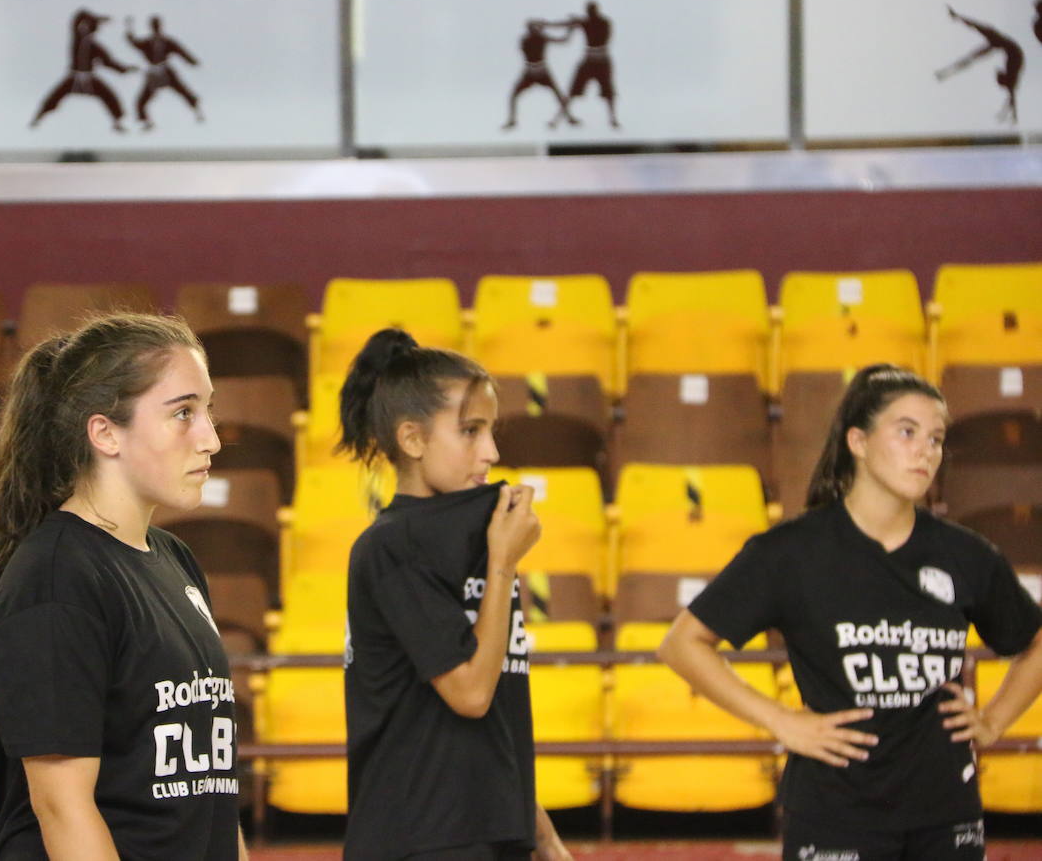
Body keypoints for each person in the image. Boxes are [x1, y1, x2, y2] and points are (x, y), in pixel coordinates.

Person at [659, 364, 1042, 861]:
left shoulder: (966, 556)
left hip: (947, 814)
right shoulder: (791, 552)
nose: (926, 450)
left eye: (936, 438)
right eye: (907, 432)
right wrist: (780, 720)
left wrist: (992, 722)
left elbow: (1034, 642)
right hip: (835, 814)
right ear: (858, 442)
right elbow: (682, 643)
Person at [0, 313, 248, 861]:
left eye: (207, 410)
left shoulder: (175, 559)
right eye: (183, 413)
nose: (211, 439)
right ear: (105, 433)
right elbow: (62, 807)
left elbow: (211, 790)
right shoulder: (56, 576)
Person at [338, 328, 572, 861]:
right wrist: (503, 566)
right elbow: (470, 694)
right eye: (470, 431)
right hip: (420, 837)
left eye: (491, 430)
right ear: (413, 440)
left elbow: (490, 727)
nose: (490, 450)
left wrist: (541, 833)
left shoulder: (477, 536)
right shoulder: (390, 547)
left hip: (490, 830)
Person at [30, 9, 136, 133]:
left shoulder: (95, 47)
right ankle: (38, 118)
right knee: (54, 96)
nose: (83, 28)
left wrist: (126, 69)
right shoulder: (76, 38)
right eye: (82, 26)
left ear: (91, 29)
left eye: (87, 26)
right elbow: (78, 15)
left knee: (109, 96)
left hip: (89, 78)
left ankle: (118, 123)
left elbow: (108, 62)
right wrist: (97, 17)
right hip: (73, 77)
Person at [935, 5, 1024, 125]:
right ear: (1003, 77)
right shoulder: (1012, 74)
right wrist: (1012, 116)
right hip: (1007, 47)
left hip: (1005, 46)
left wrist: (1009, 115)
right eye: (999, 75)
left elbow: (1011, 98)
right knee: (974, 51)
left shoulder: (1011, 76)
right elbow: (1011, 98)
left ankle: (945, 72)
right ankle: (945, 72)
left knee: (972, 56)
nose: (999, 71)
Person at [546, 1, 619, 129]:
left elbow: (569, 24)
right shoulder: (590, 21)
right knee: (573, 91)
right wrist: (547, 24)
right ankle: (556, 120)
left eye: (591, 10)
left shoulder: (601, 22)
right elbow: (565, 24)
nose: (590, 13)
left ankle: (613, 119)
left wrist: (573, 22)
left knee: (608, 92)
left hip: (599, 61)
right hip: (592, 60)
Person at [126, 15, 204, 130]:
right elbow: (134, 42)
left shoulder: (166, 41)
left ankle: (197, 112)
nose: (156, 28)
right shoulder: (148, 42)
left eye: (156, 25)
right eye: (154, 25)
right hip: (154, 72)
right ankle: (146, 122)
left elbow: (180, 51)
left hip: (165, 70)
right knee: (143, 99)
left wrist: (192, 61)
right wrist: (129, 27)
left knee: (183, 90)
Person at [502, 20, 578, 131]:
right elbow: (562, 40)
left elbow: (563, 40)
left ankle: (569, 118)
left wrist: (570, 30)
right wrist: (570, 30)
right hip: (533, 71)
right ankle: (512, 120)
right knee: (514, 95)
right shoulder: (530, 39)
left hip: (539, 71)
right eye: (534, 28)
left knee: (558, 95)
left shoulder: (537, 38)